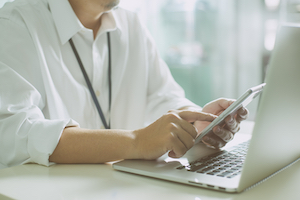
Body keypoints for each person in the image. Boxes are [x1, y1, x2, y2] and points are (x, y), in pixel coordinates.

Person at [0, 0, 248, 169]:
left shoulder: (131, 24)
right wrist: (135, 142)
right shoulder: (15, 22)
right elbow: (15, 134)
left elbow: (162, 96)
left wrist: (199, 123)